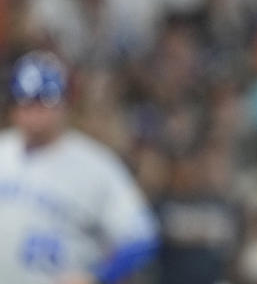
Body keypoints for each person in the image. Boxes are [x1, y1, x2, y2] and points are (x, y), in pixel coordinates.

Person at [0, 50, 159, 284]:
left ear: (64, 105)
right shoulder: (3, 149)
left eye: (43, 104)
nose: (33, 115)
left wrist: (99, 276)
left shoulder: (96, 165)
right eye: (25, 104)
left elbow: (141, 237)